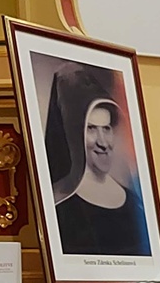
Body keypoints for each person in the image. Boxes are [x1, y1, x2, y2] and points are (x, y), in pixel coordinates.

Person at [51, 97, 150, 258]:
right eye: (91, 128)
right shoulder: (60, 207)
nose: (103, 142)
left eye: (106, 128)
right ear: (75, 134)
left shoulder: (135, 204)